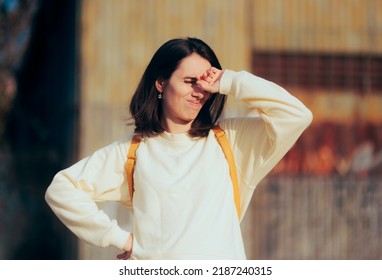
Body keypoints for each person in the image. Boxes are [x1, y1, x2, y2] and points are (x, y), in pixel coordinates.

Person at [45, 37, 312, 260]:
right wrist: (123, 240)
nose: (200, 91)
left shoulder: (231, 141)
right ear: (161, 83)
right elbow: (62, 190)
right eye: (189, 81)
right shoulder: (132, 152)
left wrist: (229, 81)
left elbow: (296, 115)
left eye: (206, 82)